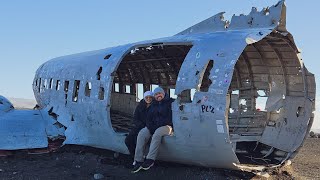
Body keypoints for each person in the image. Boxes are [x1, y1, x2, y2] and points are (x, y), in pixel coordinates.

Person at [131, 87, 174, 173]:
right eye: (156, 94)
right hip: (154, 126)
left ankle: (150, 159)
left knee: (157, 134)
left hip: (167, 126)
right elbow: (149, 118)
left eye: (159, 93)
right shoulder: (153, 105)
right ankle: (138, 160)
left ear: (163, 93)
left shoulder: (170, 102)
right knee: (142, 133)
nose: (158, 95)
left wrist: (157, 126)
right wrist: (150, 127)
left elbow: (170, 118)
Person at [125, 91, 153, 157]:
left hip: (149, 127)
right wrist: (140, 125)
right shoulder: (140, 106)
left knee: (140, 140)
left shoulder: (154, 106)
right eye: (147, 97)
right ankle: (133, 156)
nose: (148, 98)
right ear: (144, 98)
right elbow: (135, 118)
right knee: (128, 140)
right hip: (139, 126)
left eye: (150, 97)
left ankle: (140, 158)